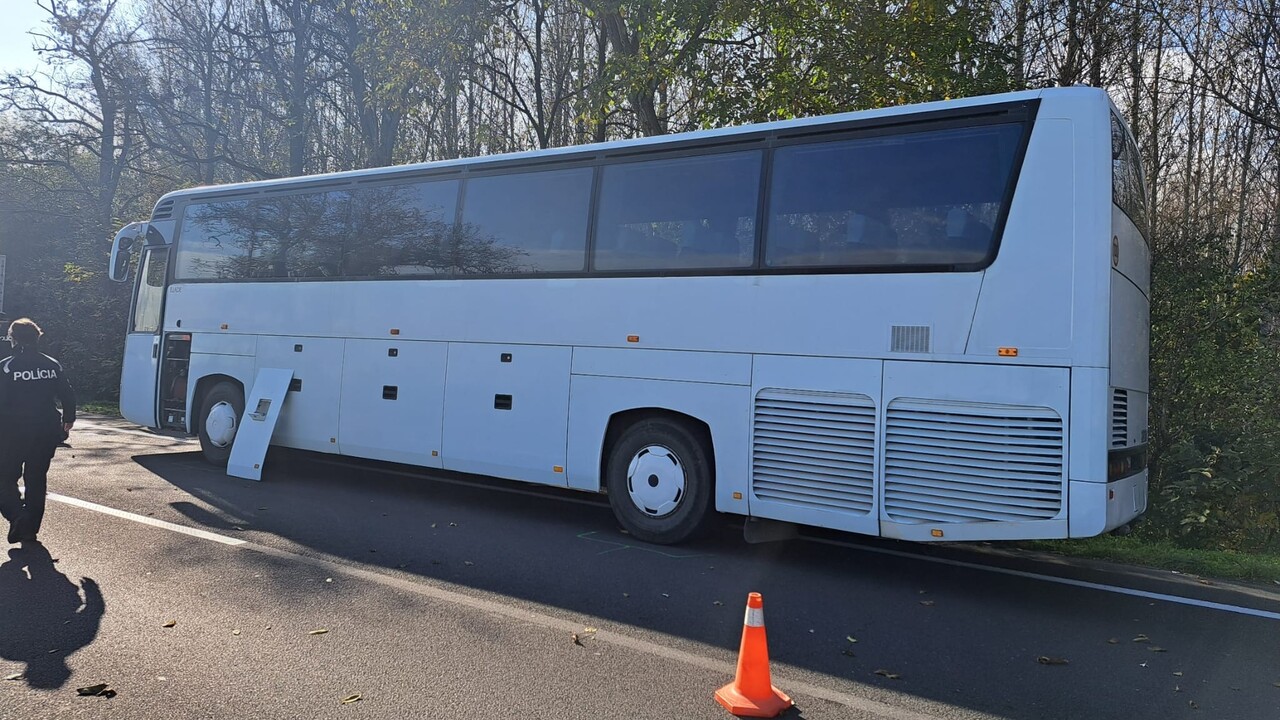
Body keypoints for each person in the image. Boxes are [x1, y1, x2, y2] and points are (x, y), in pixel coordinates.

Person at [0, 318, 76, 545]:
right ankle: (30, 529)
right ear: (37, 337)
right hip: (45, 430)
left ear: (13, 338)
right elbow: (67, 394)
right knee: (36, 478)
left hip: (11, 432)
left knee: (4, 478)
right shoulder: (52, 364)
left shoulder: (6, 366)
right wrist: (68, 418)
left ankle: (17, 516)